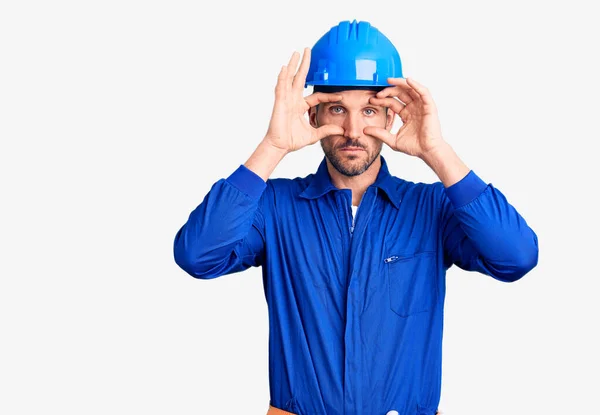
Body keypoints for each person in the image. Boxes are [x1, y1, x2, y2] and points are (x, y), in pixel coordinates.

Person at [173, 20, 539, 415]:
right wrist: (272, 146)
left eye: (369, 110)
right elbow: (198, 255)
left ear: (391, 117)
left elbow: (516, 257)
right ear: (312, 116)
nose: (352, 130)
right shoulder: (275, 206)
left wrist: (437, 151)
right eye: (336, 109)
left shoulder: (431, 209)